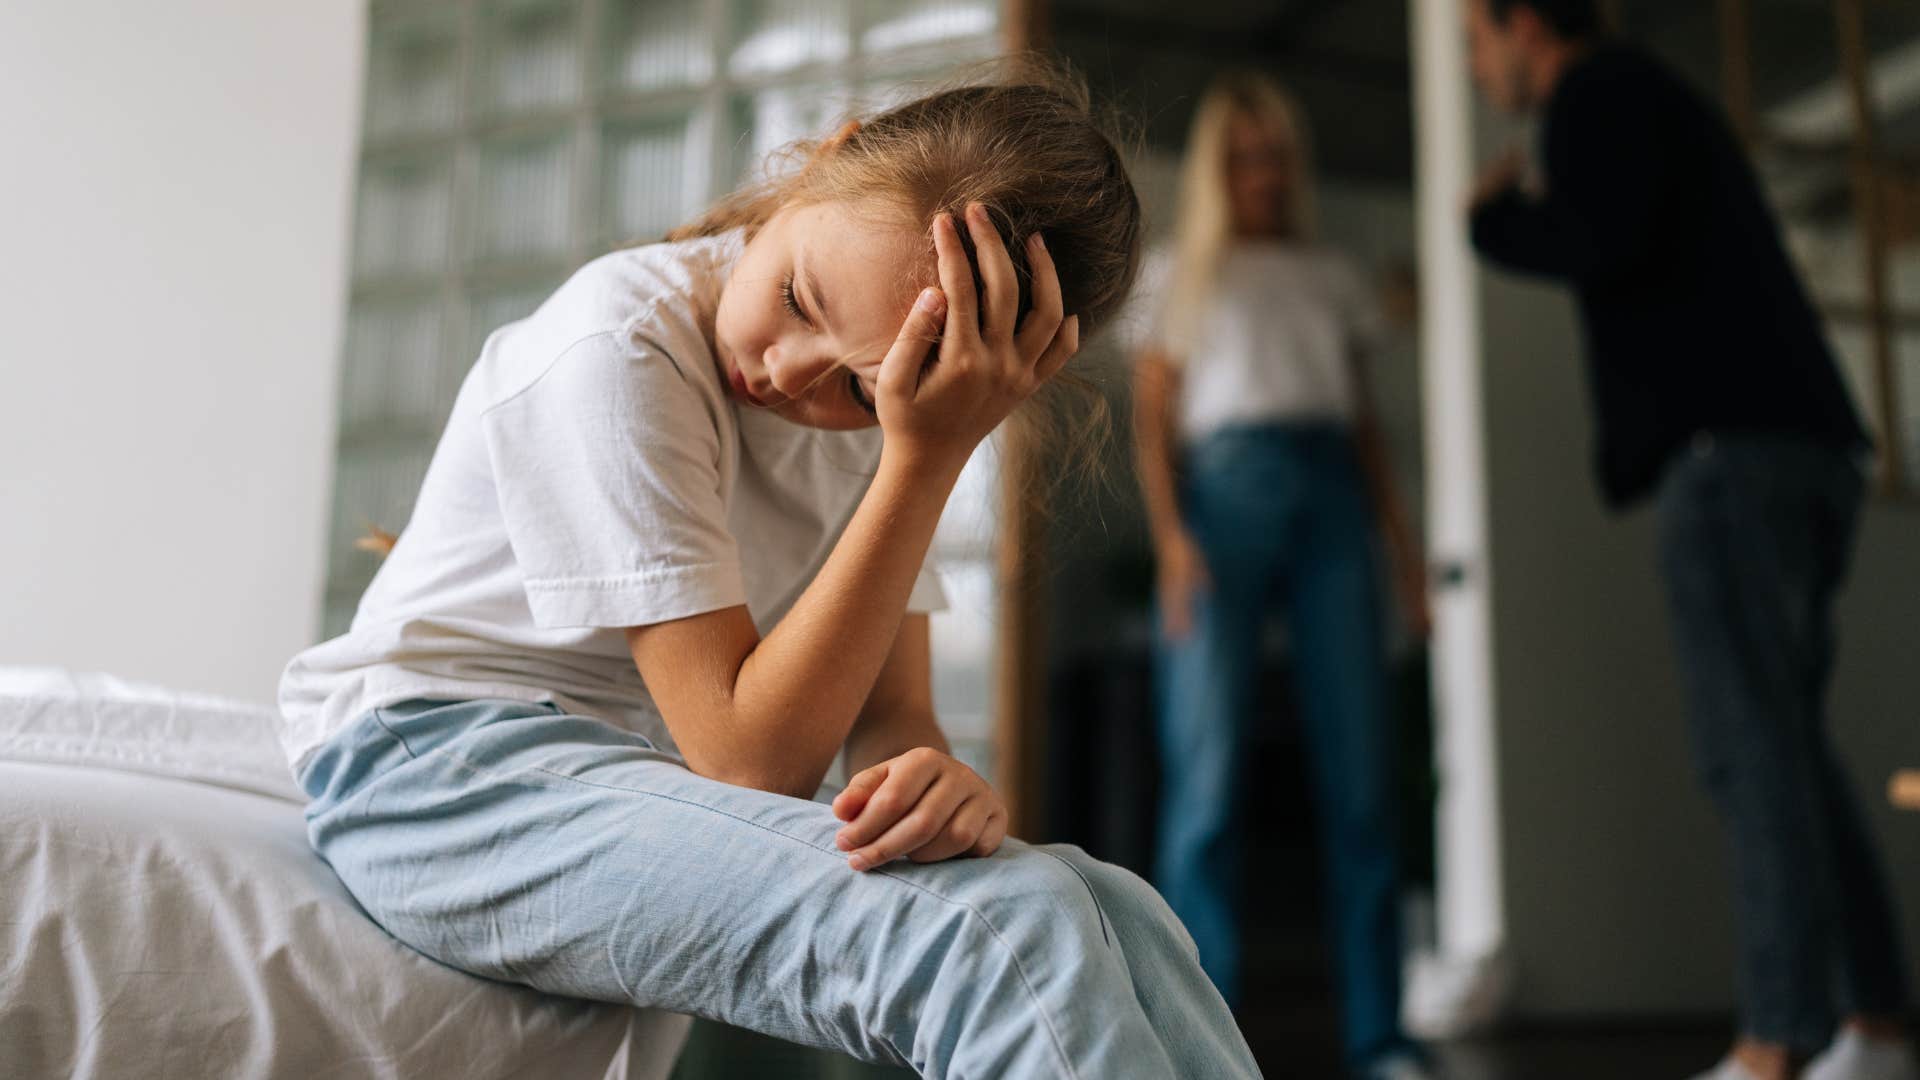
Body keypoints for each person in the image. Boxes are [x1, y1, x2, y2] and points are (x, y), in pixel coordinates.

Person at [279, 63, 1263, 1079]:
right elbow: (749, 763)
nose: (792, 372)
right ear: (822, 163)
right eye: (798, 296)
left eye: (861, 383)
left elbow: (893, 715)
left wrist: (925, 781)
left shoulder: (898, 415)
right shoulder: (620, 344)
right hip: (430, 771)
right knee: (993, 937)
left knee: (1118, 911)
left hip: (616, 774)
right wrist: (924, 460)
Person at [1462, 3, 1914, 1079]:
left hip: (1730, 462)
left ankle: (1776, 1046)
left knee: (1750, 754)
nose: (1478, 72)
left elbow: (1599, 239)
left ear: (1522, 23)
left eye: (1477, 45)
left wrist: (1494, 220)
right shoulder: (1656, 97)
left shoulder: (1594, 96)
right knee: (1791, 754)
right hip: (1803, 451)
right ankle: (1878, 1029)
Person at [1131, 72, 1431, 1080]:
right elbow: (1151, 417)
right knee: (1206, 781)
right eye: (1243, 156)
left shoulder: (1329, 273)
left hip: (1332, 498)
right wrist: (1173, 540)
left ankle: (1380, 1037)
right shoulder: (1181, 272)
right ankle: (1197, 1046)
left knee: (1362, 786)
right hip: (1224, 497)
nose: (1263, 173)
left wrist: (1403, 551)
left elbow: (1366, 425)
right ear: (1219, 169)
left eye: (1276, 154)